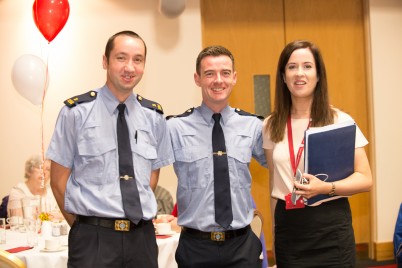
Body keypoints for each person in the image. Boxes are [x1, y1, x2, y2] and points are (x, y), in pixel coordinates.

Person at [46, 30, 174, 268]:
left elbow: (152, 174)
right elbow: (58, 181)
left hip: (141, 238)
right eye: (121, 58)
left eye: (138, 59)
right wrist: (85, 226)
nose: (130, 67)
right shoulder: (75, 113)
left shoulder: (154, 116)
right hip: (93, 240)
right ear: (105, 61)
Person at [262, 40, 372, 267]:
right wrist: (275, 232)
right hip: (289, 231)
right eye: (291, 67)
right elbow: (275, 183)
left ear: (319, 75)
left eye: (307, 66)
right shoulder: (270, 125)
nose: (299, 73)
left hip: (331, 227)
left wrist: (326, 188)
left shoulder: (339, 121)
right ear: (283, 76)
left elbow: (365, 179)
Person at [167, 45, 267, 267]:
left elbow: (281, 166)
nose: (218, 80)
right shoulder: (175, 127)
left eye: (225, 73)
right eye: (209, 73)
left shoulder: (253, 126)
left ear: (234, 78)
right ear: (197, 78)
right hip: (195, 247)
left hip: (241, 245)